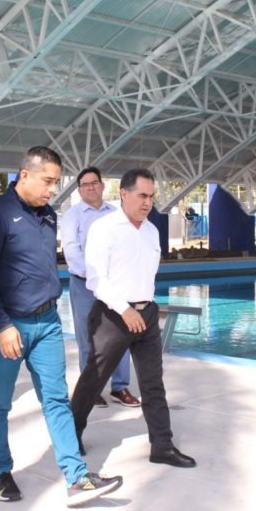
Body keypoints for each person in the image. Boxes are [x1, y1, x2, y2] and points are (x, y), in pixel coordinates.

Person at [0, 146, 122, 508]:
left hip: (48, 323)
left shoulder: (48, 214)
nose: (52, 189)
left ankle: (76, 477)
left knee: (56, 399)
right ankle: (0, 470)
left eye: (56, 182)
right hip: (8, 325)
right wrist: (2, 325)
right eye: (47, 181)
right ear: (25, 175)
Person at [70, 169, 196, 469]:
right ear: (124, 194)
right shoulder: (104, 228)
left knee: (153, 383)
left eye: (151, 197)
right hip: (113, 315)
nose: (147, 202)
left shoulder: (151, 231)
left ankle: (162, 446)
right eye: (142, 196)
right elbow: (96, 278)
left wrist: (143, 308)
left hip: (146, 314)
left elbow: (147, 275)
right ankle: (71, 435)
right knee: (93, 379)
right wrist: (124, 309)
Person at [60, 167, 139, 409]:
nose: (91, 187)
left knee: (120, 335)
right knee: (87, 337)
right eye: (85, 184)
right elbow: (71, 252)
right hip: (84, 284)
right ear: (79, 190)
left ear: (103, 185)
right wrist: (96, 278)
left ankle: (120, 386)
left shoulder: (117, 213)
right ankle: (91, 389)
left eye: (94, 182)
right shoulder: (72, 216)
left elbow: (126, 247)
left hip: (115, 286)